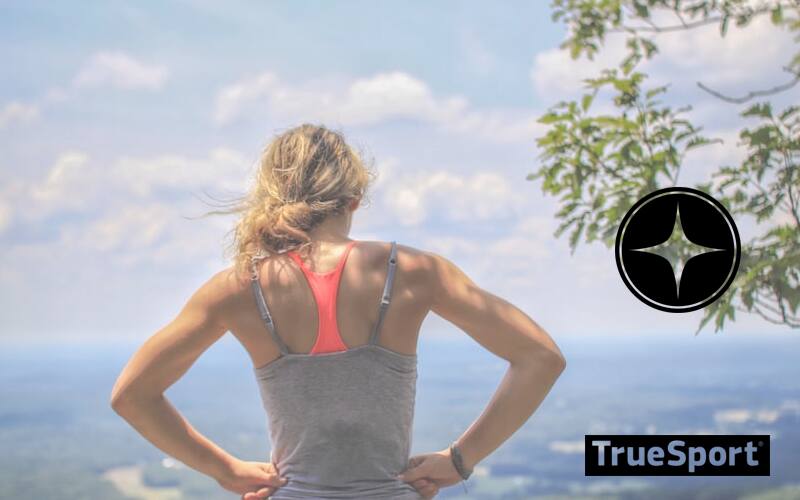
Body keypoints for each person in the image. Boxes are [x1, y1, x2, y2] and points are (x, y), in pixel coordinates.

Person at [110, 123, 567, 499]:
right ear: (352, 200)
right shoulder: (413, 272)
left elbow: (131, 395)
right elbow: (541, 357)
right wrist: (460, 460)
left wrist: (224, 469)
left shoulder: (237, 288)